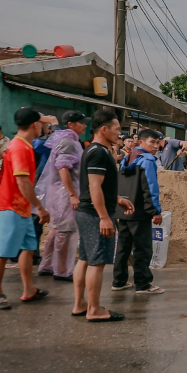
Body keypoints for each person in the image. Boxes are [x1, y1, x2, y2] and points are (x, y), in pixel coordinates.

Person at [72, 110, 135, 322]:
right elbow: (94, 186)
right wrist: (104, 217)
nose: (120, 133)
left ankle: (81, 304)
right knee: (96, 262)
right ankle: (94, 309)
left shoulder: (97, 150)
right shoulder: (98, 152)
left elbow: (98, 185)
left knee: (84, 258)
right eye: (117, 129)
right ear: (104, 129)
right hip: (94, 214)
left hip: (87, 211)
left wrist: (116, 198)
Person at [0, 108, 51, 310]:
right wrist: (40, 208)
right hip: (9, 205)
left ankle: (29, 289)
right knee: (3, 252)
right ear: (34, 125)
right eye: (43, 124)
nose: (45, 127)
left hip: (21, 207)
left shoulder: (22, 145)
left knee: (28, 248)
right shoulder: (21, 148)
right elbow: (23, 182)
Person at [36, 110, 87, 281]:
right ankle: (63, 269)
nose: (85, 126)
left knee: (55, 229)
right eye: (81, 122)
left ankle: (48, 265)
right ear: (71, 124)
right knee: (66, 231)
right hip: (64, 193)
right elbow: (63, 167)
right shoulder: (68, 142)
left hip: (58, 191)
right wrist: (72, 194)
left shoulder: (63, 139)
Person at [113, 128, 164, 295]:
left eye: (158, 143)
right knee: (142, 248)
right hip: (139, 211)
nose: (156, 146)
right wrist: (155, 210)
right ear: (140, 142)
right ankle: (143, 284)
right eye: (152, 142)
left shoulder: (127, 157)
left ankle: (119, 281)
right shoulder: (147, 160)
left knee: (123, 247)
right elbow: (150, 188)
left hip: (124, 209)